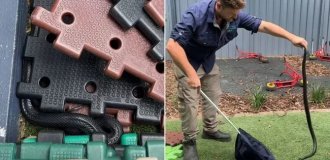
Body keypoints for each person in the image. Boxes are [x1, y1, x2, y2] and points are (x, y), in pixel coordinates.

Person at [166, 0, 308, 159]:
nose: (236, 18)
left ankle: (210, 130)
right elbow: (172, 46)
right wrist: (191, 74)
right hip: (187, 61)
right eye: (232, 14)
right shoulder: (195, 15)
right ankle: (189, 142)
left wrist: (292, 37)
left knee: (214, 94)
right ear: (219, 5)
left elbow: (264, 25)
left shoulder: (235, 15)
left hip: (207, 60)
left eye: (237, 14)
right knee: (190, 103)